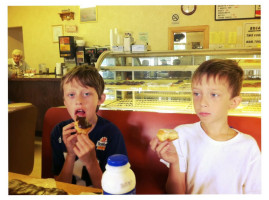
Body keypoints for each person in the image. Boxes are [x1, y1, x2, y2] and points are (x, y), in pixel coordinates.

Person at [150, 59, 261, 194]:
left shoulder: (248, 146)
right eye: (196, 93)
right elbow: (176, 193)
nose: (202, 102)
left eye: (214, 95)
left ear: (233, 102)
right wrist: (175, 163)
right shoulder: (181, 135)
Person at [50, 65, 128, 188]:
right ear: (65, 102)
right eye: (71, 95)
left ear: (100, 99)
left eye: (86, 93)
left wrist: (91, 162)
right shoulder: (59, 132)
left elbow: (114, 190)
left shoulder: (112, 134)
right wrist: (70, 155)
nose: (79, 101)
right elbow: (60, 187)